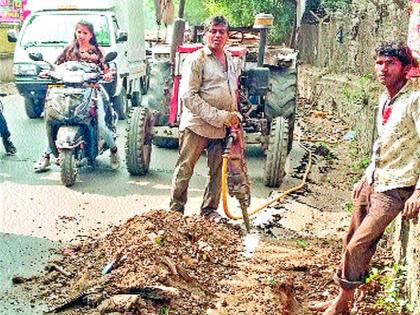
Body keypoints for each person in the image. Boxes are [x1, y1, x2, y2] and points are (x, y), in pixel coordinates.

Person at [309, 41, 420, 315]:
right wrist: (366, 175)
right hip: (376, 179)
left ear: (406, 69)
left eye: (391, 63)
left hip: (397, 185)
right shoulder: (385, 99)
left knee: (360, 243)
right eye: (380, 63)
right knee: (350, 238)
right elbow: (382, 142)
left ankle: (343, 304)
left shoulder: (415, 101)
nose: (383, 69)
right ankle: (341, 295)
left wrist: (418, 191)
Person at [169, 16, 241, 219]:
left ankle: (209, 210)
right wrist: (219, 117)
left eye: (222, 31)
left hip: (221, 128)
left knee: (217, 171)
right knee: (185, 169)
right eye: (213, 31)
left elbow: (231, 90)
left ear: (227, 36)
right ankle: (175, 211)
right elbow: (188, 96)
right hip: (197, 126)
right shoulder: (196, 59)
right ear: (205, 34)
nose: (217, 35)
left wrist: (233, 117)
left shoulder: (229, 59)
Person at [34, 20, 119, 172]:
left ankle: (114, 150)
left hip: (91, 91)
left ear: (91, 35)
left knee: (101, 124)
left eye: (85, 33)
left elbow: (106, 69)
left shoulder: (97, 52)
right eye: (79, 32)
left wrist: (107, 75)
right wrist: (48, 72)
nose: (81, 35)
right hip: (67, 91)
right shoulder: (69, 50)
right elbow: (56, 66)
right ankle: (46, 155)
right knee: (56, 120)